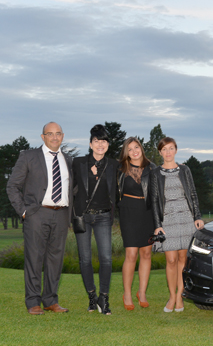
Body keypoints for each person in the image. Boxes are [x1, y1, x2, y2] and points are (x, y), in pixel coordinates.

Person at [6, 122, 73, 315]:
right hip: (37, 214)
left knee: (55, 260)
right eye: (50, 134)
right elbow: (12, 186)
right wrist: (24, 211)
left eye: (58, 134)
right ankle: (33, 302)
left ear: (62, 136)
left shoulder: (68, 159)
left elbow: (72, 188)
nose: (54, 137)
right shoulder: (28, 156)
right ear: (42, 137)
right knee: (34, 259)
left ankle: (50, 300)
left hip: (61, 215)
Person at [150, 137, 204, 313]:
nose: (168, 152)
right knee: (171, 260)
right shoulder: (155, 173)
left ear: (176, 150)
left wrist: (198, 216)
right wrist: (157, 224)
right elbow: (154, 200)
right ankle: (171, 296)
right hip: (168, 220)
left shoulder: (185, 170)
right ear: (160, 152)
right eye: (164, 149)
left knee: (183, 259)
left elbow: (193, 194)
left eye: (171, 148)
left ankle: (180, 295)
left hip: (186, 218)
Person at [72, 124, 119, 315]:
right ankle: (92, 298)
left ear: (108, 145)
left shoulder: (113, 164)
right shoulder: (78, 163)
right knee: (85, 259)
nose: (100, 145)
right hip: (83, 216)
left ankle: (104, 299)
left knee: (106, 259)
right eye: (97, 141)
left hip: (103, 217)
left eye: (104, 141)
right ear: (90, 144)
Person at [117, 137, 156, 310]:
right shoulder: (120, 169)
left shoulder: (152, 168)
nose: (134, 151)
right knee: (131, 254)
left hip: (148, 213)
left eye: (136, 147)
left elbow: (158, 195)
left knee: (146, 254)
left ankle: (142, 292)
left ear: (141, 148)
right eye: (130, 149)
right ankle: (127, 293)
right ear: (126, 152)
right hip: (128, 212)